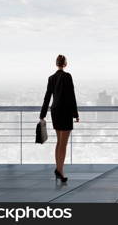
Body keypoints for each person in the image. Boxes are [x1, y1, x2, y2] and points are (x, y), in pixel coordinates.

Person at [40, 54, 79, 182]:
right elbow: (71, 96)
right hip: (65, 111)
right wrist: (76, 114)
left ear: (56, 64)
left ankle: (58, 169)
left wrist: (42, 115)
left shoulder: (51, 78)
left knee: (59, 142)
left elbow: (47, 97)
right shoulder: (67, 76)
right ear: (65, 64)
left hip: (55, 111)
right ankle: (60, 171)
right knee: (63, 144)